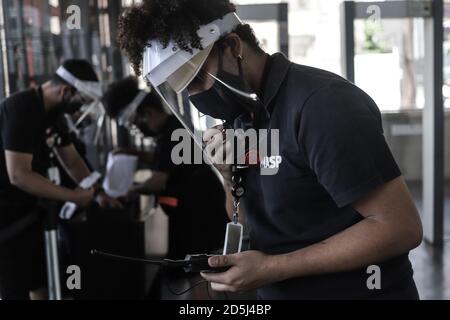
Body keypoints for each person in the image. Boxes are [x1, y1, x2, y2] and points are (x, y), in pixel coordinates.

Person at [118, 0, 424, 300]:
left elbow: (399, 227)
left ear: (233, 46)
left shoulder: (322, 106)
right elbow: (252, 223)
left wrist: (273, 268)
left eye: (198, 77)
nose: (197, 95)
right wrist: (228, 178)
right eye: (185, 89)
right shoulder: (241, 115)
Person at [0, 59, 121, 300]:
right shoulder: (21, 108)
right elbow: (19, 175)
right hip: (6, 223)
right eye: (80, 102)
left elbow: (72, 160)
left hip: (29, 217)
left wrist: (97, 193)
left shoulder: (51, 115)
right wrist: (74, 196)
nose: (79, 109)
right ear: (66, 91)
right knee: (15, 289)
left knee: (39, 283)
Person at [103, 77, 229, 298]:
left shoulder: (171, 133)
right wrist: (135, 154)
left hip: (198, 210)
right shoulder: (170, 129)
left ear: (148, 114)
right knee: (199, 268)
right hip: (198, 206)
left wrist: (127, 191)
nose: (138, 129)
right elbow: (165, 160)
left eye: (136, 122)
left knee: (198, 271)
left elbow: (159, 179)